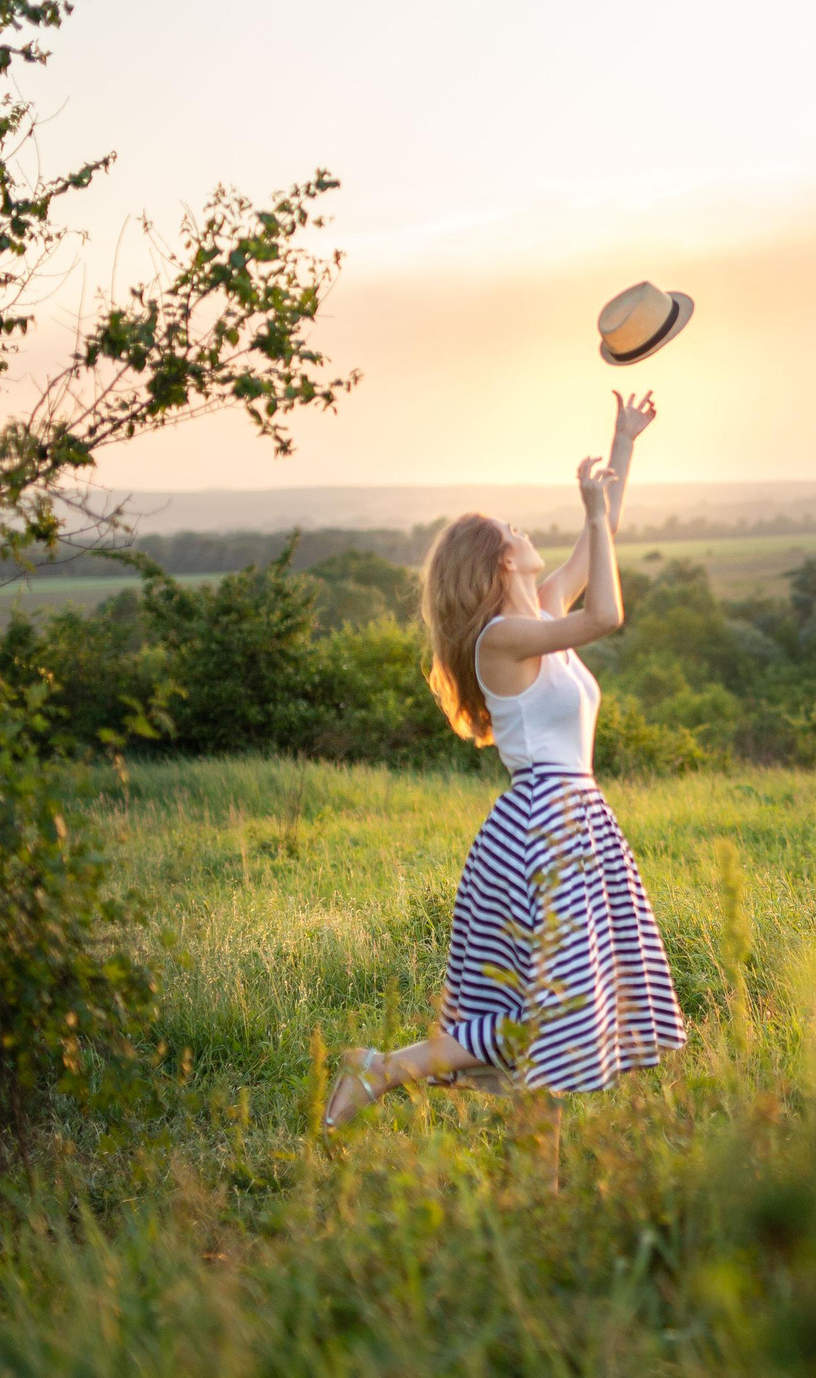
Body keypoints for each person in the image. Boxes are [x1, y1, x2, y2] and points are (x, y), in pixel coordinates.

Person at [323, 389, 686, 1129]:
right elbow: (608, 614)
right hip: (541, 829)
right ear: (498, 561)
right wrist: (586, 509)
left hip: (575, 821)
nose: (526, 530)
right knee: (541, 1004)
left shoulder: (537, 612)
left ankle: (381, 1069)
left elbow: (602, 537)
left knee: (556, 1000)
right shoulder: (499, 639)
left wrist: (624, 443)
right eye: (513, 529)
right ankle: (389, 1073)